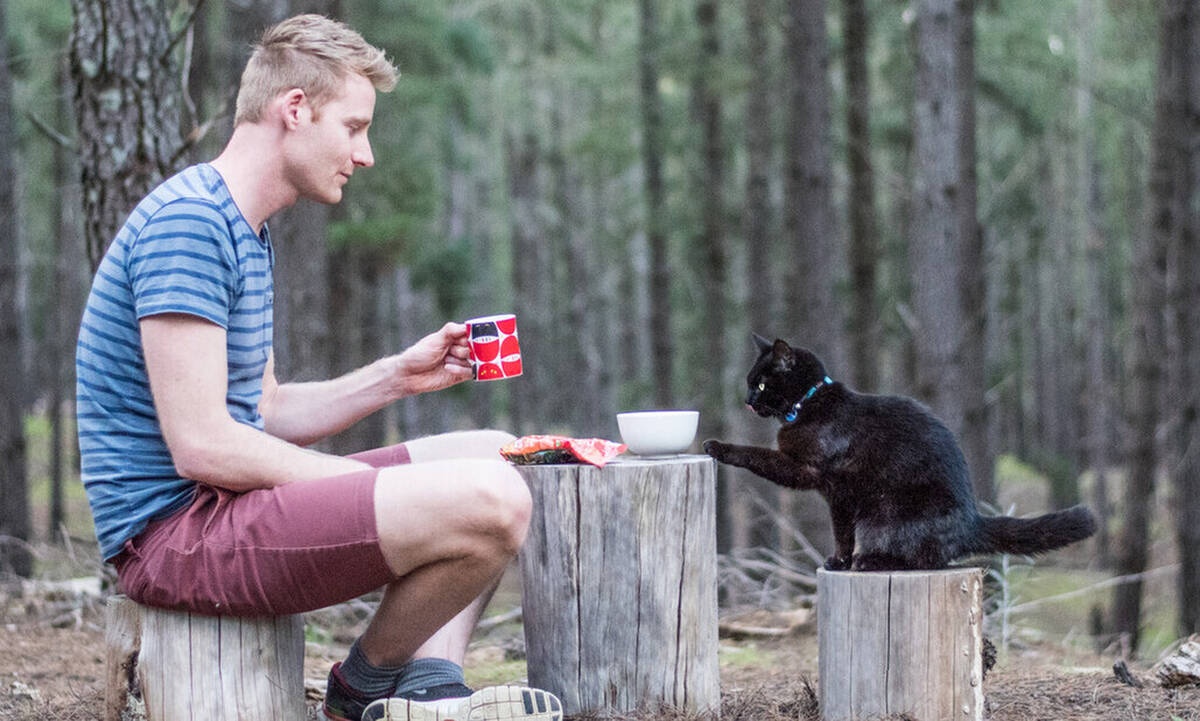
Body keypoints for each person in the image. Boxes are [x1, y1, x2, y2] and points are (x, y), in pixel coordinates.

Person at [75, 14, 562, 721]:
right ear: (295, 110)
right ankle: (363, 686)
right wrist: (371, 485)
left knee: (501, 456)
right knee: (493, 500)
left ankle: (428, 684)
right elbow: (203, 446)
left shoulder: (243, 228)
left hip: (225, 509)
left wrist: (397, 376)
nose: (365, 155)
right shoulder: (190, 224)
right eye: (354, 127)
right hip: (177, 538)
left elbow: (264, 411)